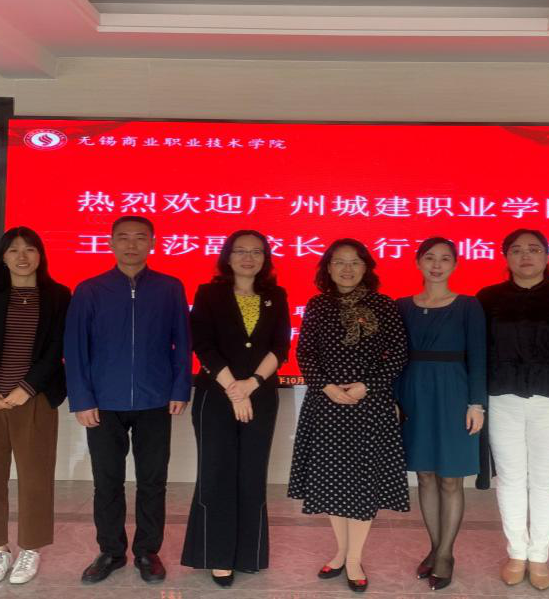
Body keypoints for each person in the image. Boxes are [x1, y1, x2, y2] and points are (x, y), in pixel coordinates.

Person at [64, 216, 191, 585]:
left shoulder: (169, 288)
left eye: (140, 237)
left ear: (153, 243)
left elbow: (183, 342)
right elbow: (76, 349)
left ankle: (148, 551)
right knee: (107, 482)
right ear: (110, 243)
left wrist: (179, 389)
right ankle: (111, 551)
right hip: (103, 402)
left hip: (155, 400)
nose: (131, 245)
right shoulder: (90, 290)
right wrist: (82, 399)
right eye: (123, 238)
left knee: (153, 481)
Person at [475, 228, 549, 591]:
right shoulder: (487, 299)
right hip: (502, 400)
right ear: (505, 257)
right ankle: (517, 552)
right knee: (510, 478)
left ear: (546, 255)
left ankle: (539, 555)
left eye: (533, 249)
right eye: (516, 250)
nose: (525, 256)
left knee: (545, 480)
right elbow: (476, 353)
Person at [288, 238, 409, 593]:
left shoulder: (383, 305)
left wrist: (366, 386)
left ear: (366, 267)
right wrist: (326, 387)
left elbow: (398, 354)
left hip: (369, 405)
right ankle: (341, 552)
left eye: (355, 262)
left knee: (362, 484)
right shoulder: (318, 305)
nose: (347, 268)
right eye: (339, 262)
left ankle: (354, 558)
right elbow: (305, 353)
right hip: (326, 405)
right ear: (328, 268)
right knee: (333, 483)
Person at [0, 226, 72, 585]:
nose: (22, 256)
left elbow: (57, 348)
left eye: (30, 249)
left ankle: (30, 549)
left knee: (36, 479)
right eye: (13, 250)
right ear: (3, 257)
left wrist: (27, 387)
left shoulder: (58, 295)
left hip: (34, 400)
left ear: (41, 255)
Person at [181, 230, 291, 587]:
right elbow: (203, 345)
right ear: (227, 256)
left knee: (251, 474)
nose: (248, 258)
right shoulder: (209, 293)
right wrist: (234, 389)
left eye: (256, 252)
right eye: (240, 251)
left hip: (261, 396)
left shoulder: (276, 296)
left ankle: (248, 554)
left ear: (265, 259)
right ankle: (217, 555)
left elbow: (280, 347)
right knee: (217, 472)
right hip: (215, 397)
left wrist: (251, 385)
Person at [395, 237, 486, 591]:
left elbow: (478, 356)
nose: (436, 265)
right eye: (429, 258)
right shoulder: (402, 306)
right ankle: (435, 547)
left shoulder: (468, 306)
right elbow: (395, 358)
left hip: (454, 394)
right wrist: (393, 400)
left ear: (455, 264)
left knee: (451, 478)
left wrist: (476, 403)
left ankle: (446, 553)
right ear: (418, 262)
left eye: (445, 259)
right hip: (414, 393)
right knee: (425, 475)